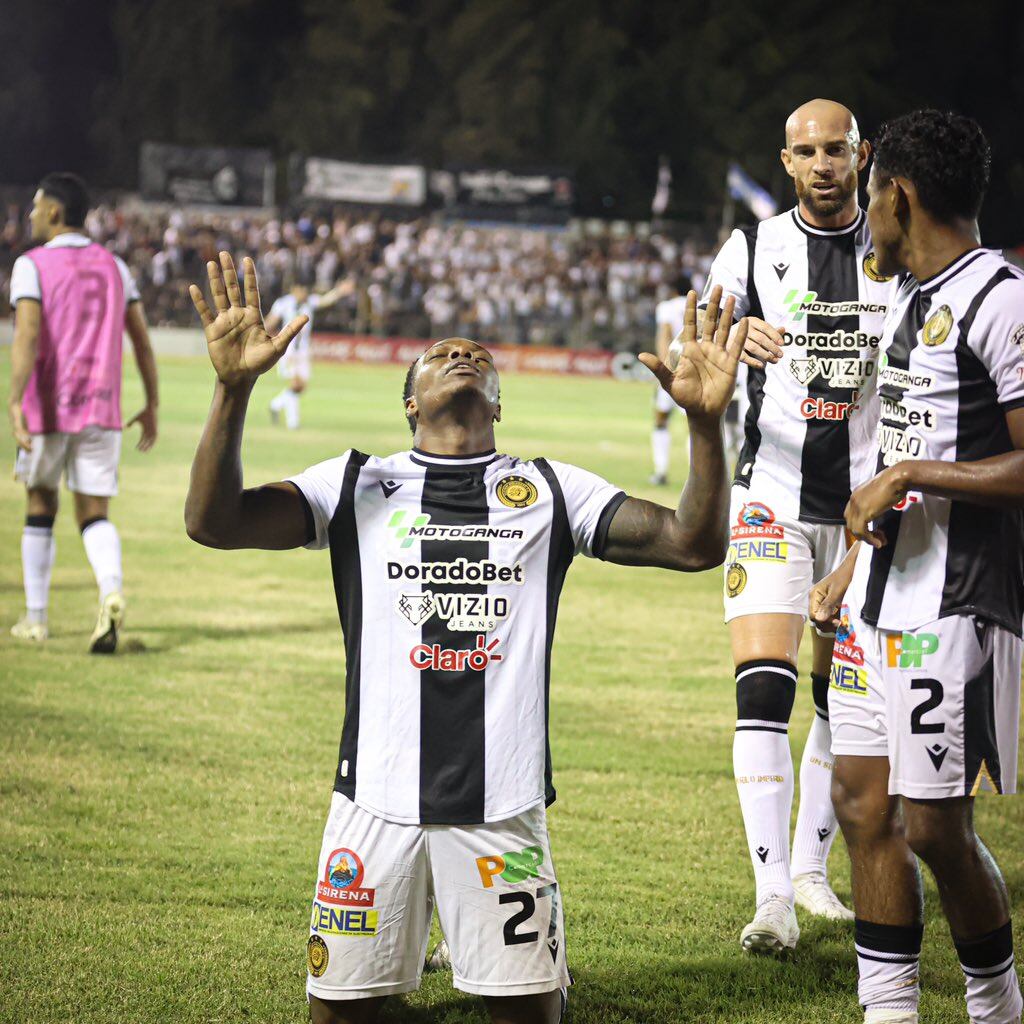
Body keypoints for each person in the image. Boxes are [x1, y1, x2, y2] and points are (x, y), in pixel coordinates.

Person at [184, 251, 746, 1024]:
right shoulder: (355, 484)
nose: (462, 354)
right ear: (409, 405)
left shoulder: (551, 490)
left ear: (498, 405)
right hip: (374, 801)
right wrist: (231, 388)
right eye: (440, 355)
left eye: (477, 356)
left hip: (501, 804)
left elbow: (693, 543)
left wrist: (705, 426)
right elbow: (213, 522)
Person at [811, 109, 1024, 1024]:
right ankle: (887, 1009)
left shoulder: (1002, 297)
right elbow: (900, 436)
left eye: (872, 199)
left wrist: (908, 474)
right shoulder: (908, 295)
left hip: (956, 605)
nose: (868, 219)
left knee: (937, 827)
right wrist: (848, 560)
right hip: (874, 598)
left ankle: (997, 1003)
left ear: (897, 195)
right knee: (862, 806)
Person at [701, 97, 894, 951]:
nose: (821, 163)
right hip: (772, 495)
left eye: (836, 149)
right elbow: (693, 340)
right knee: (764, 686)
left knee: (840, 698)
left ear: (863, 154)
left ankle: (813, 874)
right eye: (805, 151)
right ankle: (772, 894)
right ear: (785, 162)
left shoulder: (897, 252)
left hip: (863, 513)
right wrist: (731, 331)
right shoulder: (753, 248)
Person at [7, 172, 159, 652]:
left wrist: (15, 400)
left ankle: (35, 619)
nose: (30, 215)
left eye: (35, 206)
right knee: (94, 513)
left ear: (54, 211)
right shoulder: (115, 265)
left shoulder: (31, 265)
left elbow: (28, 336)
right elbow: (140, 339)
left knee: (40, 504)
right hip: (102, 409)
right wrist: (152, 403)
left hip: (49, 408)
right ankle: (110, 589)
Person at [266, 276, 354, 429]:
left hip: (303, 351)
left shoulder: (309, 302)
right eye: (301, 290)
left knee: (301, 386)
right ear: (294, 289)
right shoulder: (283, 303)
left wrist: (340, 291)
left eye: (305, 290)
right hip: (288, 349)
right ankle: (293, 423)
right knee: (295, 383)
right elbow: (270, 321)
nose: (304, 293)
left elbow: (326, 300)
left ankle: (276, 404)